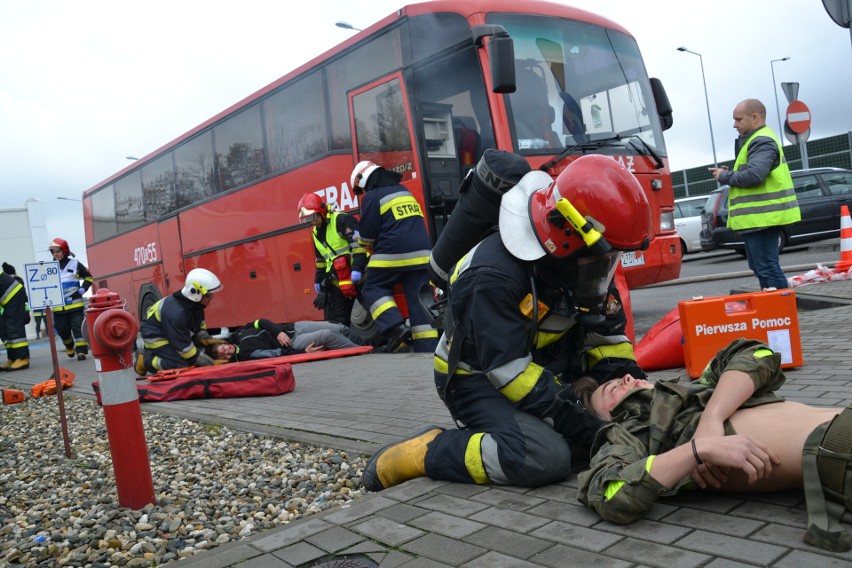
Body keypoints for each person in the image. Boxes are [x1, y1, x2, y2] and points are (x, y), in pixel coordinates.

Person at [361, 152, 651, 493]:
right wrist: (581, 422)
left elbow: (607, 341)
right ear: (567, 234)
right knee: (543, 455)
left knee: (587, 436)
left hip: (538, 365)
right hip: (477, 377)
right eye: (603, 257)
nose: (607, 266)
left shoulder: (587, 259)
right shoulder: (493, 275)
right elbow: (508, 370)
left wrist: (640, 398)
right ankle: (426, 452)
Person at [574, 338, 852, 552]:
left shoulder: (704, 388)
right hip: (837, 453)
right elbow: (612, 494)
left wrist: (712, 418)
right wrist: (697, 450)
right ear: (607, 419)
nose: (626, 377)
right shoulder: (628, 434)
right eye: (613, 390)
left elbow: (757, 353)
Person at [709, 98, 801, 290]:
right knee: (761, 267)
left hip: (764, 218)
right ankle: (773, 312)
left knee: (767, 267)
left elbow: (754, 176)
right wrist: (729, 173)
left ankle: (780, 312)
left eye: (738, 119)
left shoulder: (762, 141)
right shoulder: (757, 140)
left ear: (755, 117)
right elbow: (752, 172)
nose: (734, 125)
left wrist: (725, 176)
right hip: (759, 219)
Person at [350, 160, 439, 353]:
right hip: (423, 255)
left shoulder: (372, 197)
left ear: (363, 179)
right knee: (418, 300)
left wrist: (360, 238)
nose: (362, 193)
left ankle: (395, 327)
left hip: (392, 254)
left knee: (372, 288)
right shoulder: (404, 191)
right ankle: (427, 348)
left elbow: (368, 236)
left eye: (360, 189)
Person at [134, 268, 229, 375]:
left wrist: (205, 338)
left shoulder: (195, 305)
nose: (211, 297)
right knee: (183, 365)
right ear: (195, 292)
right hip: (156, 336)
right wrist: (210, 364)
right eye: (208, 295)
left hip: (171, 333)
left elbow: (199, 326)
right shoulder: (176, 313)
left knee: (196, 358)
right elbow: (184, 349)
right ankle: (147, 361)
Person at [298, 193, 367, 327]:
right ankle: (345, 346)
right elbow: (321, 260)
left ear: (321, 212)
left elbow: (359, 246)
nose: (311, 222)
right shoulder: (316, 233)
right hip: (338, 280)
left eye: (312, 217)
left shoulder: (341, 220)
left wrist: (357, 269)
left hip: (360, 276)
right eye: (307, 220)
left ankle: (392, 343)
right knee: (337, 321)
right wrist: (318, 280)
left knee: (374, 308)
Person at [218, 318, 366, 361]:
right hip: (295, 342)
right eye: (224, 355)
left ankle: (367, 344)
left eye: (222, 349)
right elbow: (277, 354)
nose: (226, 351)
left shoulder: (238, 333)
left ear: (223, 343)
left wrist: (278, 333)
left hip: (294, 327)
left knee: (339, 327)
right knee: (327, 335)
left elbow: (261, 321)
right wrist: (303, 352)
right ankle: (364, 351)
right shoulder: (245, 354)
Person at [48, 238, 93, 360]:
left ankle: (81, 352)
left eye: (57, 251)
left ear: (64, 251)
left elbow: (89, 278)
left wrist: (83, 289)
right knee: (62, 330)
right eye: (53, 252)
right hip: (58, 307)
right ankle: (69, 345)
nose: (55, 254)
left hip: (75, 305)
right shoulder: (49, 268)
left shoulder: (75, 264)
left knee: (78, 329)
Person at [1, 263, 31, 371]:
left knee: (13, 325)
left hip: (13, 295)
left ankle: (22, 358)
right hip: (9, 297)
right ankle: (12, 358)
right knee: (5, 327)